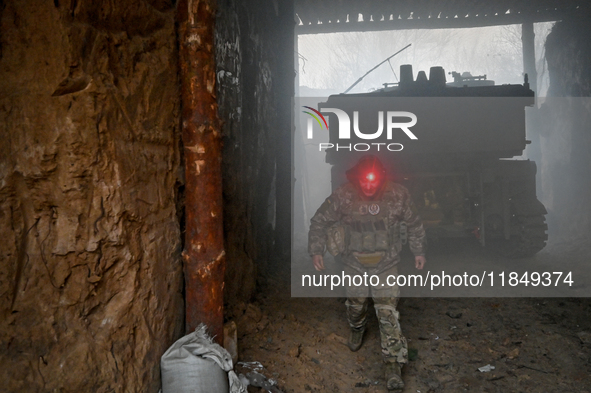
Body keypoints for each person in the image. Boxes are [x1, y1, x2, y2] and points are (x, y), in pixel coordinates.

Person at [308, 155, 426, 391]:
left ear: (381, 178)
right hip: (354, 264)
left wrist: (418, 251)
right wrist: (316, 251)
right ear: (357, 179)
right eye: (364, 181)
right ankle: (357, 327)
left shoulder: (397, 195)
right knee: (356, 304)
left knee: (388, 312)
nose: (369, 186)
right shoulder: (344, 195)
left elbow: (414, 223)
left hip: (386, 264)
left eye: (374, 181)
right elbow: (319, 221)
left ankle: (393, 367)